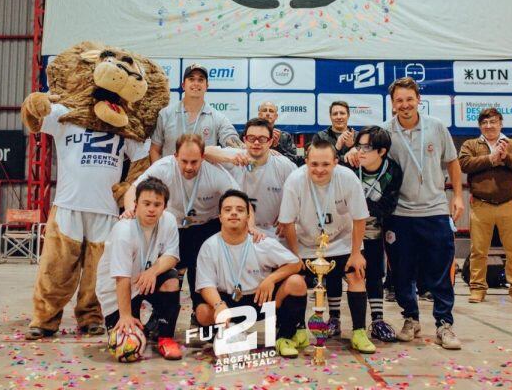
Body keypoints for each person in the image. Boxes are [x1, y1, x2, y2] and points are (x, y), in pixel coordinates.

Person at [347, 77, 464, 349]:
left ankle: (444, 324)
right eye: (399, 100)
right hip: (399, 214)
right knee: (401, 272)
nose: (405, 105)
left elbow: (453, 162)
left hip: (434, 210)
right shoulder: (386, 132)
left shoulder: (436, 128)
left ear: (418, 100)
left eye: (409, 99)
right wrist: (354, 151)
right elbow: (366, 147)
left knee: (440, 269)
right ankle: (410, 318)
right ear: (392, 104)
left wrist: (458, 195)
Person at [25, 99, 151, 340]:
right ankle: (44, 318)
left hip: (106, 209)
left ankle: (91, 316)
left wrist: (130, 185)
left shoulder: (122, 122)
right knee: (56, 266)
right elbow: (36, 121)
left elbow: (142, 157)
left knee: (99, 271)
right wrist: (35, 103)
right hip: (68, 205)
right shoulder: (67, 114)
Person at [125, 134, 241, 314]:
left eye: (194, 162)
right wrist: (130, 210)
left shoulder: (215, 172)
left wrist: (252, 227)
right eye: (184, 161)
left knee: (201, 270)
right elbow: (133, 189)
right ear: (175, 156)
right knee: (169, 272)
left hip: (205, 226)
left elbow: (238, 199)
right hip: (173, 225)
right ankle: (162, 315)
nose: (189, 167)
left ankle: (201, 313)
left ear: (203, 157)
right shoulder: (164, 167)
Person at [278, 139, 375, 353]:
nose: (319, 170)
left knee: (356, 274)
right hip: (306, 243)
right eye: (314, 164)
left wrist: (356, 253)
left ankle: (359, 331)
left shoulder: (347, 178)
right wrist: (295, 257)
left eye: (325, 164)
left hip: (341, 240)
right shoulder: (295, 180)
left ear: (335, 162)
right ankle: (298, 329)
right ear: (306, 162)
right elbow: (287, 222)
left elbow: (360, 218)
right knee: (297, 281)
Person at [195, 189, 308, 358]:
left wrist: (271, 279)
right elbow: (205, 284)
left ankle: (285, 336)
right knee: (203, 313)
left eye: (240, 210)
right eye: (228, 210)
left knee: (296, 282)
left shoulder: (260, 242)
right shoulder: (209, 246)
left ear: (248, 217)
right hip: (228, 301)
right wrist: (219, 306)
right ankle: (227, 329)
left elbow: (296, 263)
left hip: (259, 299)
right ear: (220, 217)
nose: (233, 213)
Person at [96, 177, 183, 360]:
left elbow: (172, 256)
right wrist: (125, 315)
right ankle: (133, 321)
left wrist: (153, 272)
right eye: (146, 203)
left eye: (157, 204)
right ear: (135, 204)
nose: (151, 209)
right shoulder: (124, 231)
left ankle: (165, 336)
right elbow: (121, 278)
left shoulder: (168, 221)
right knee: (130, 349)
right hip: (117, 291)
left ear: (164, 207)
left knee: (171, 279)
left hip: (144, 278)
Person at [458, 107, 512, 304]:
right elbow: (464, 164)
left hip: (509, 205)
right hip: (481, 205)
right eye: (484, 123)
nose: (489, 126)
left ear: (501, 124)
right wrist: (490, 159)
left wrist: (506, 157)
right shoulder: (470, 144)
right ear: (480, 126)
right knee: (478, 251)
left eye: (493, 122)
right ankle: (477, 289)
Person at [205, 118, 297, 239]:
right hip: (237, 231)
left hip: (272, 232)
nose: (257, 142)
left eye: (262, 139)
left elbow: (302, 190)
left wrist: (289, 215)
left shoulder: (283, 165)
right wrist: (229, 159)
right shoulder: (234, 156)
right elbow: (203, 151)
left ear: (270, 142)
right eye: (252, 138)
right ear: (245, 140)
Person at [354, 126, 403, 342]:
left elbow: (387, 205)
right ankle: (334, 318)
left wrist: (361, 207)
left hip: (374, 230)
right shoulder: (350, 164)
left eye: (367, 147)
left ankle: (377, 320)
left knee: (374, 274)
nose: (361, 151)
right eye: (359, 146)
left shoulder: (392, 170)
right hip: (348, 232)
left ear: (382, 151)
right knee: (341, 274)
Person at [149, 65, 241, 162]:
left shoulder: (217, 117)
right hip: (171, 176)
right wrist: (160, 175)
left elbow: (231, 139)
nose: (196, 83)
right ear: (183, 85)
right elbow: (155, 149)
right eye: (191, 79)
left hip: (204, 176)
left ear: (207, 86)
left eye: (200, 80)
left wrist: (243, 150)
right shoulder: (165, 114)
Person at [312, 101, 358, 169]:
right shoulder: (320, 137)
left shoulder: (359, 136)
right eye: (335, 114)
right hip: (328, 177)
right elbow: (315, 162)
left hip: (353, 177)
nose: (339, 117)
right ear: (330, 116)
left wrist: (352, 146)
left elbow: (365, 163)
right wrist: (336, 148)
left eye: (342, 113)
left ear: (348, 115)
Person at [257, 101, 302, 165]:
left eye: (271, 111)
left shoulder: (285, 136)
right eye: (264, 110)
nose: (267, 113)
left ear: (276, 116)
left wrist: (277, 146)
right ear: (259, 115)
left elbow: (296, 160)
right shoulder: (250, 134)